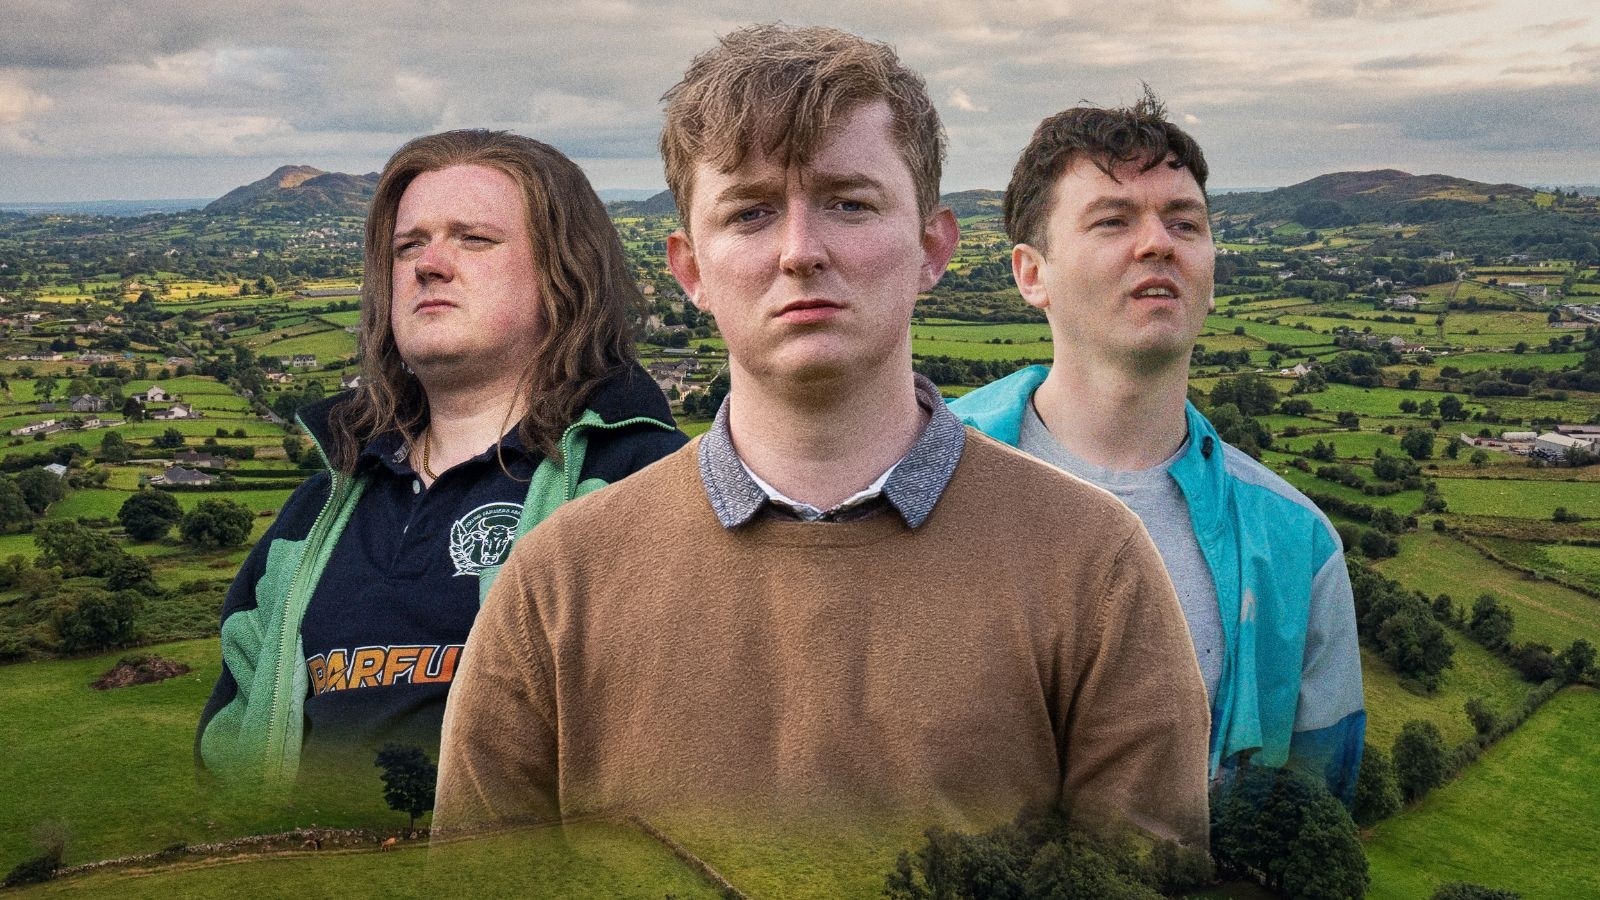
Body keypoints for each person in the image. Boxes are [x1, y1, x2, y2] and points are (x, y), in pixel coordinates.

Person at [434, 26, 1210, 849]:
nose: (801, 251)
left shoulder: (1095, 566)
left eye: (849, 201)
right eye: (752, 211)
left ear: (931, 246)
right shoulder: (556, 585)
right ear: (690, 267)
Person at [195, 130, 686, 788]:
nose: (429, 264)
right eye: (408, 246)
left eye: (473, 239)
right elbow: (227, 759)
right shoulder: (314, 517)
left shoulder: (641, 485)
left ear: (563, 274)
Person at [949, 91, 1365, 804]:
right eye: (1112, 220)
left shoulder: (1297, 547)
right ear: (1030, 274)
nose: (1157, 243)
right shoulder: (917, 479)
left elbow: (1309, 822)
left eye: (1184, 222)